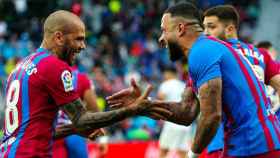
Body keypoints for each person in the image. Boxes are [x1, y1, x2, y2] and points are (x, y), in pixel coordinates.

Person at [106, 2, 280, 158]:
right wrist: (144, 105)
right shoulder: (208, 52)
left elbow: (212, 115)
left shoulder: (202, 52)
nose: (161, 39)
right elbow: (187, 112)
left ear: (181, 28)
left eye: (164, 31)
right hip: (255, 142)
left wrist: (192, 155)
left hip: (252, 146)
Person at [0, 10, 171, 158]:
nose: (83, 46)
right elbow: (82, 119)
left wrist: (74, 129)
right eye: (78, 39)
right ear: (58, 37)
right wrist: (133, 110)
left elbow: (38, 131)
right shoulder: (53, 66)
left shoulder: (21, 66)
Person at [202, 5, 280, 157]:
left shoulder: (209, 57)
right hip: (267, 139)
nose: (205, 33)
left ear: (230, 29)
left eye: (211, 27)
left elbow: (190, 108)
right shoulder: (260, 54)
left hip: (225, 144)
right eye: (204, 27)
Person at [52, 67, 103, 158]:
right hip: (74, 134)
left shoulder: (44, 74)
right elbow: (95, 109)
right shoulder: (81, 78)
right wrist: (102, 139)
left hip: (53, 135)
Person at [158, 66, 194, 158]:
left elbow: (159, 100)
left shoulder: (166, 84)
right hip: (185, 125)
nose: (164, 76)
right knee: (183, 153)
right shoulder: (183, 85)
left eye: (165, 73)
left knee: (163, 151)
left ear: (169, 73)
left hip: (171, 123)